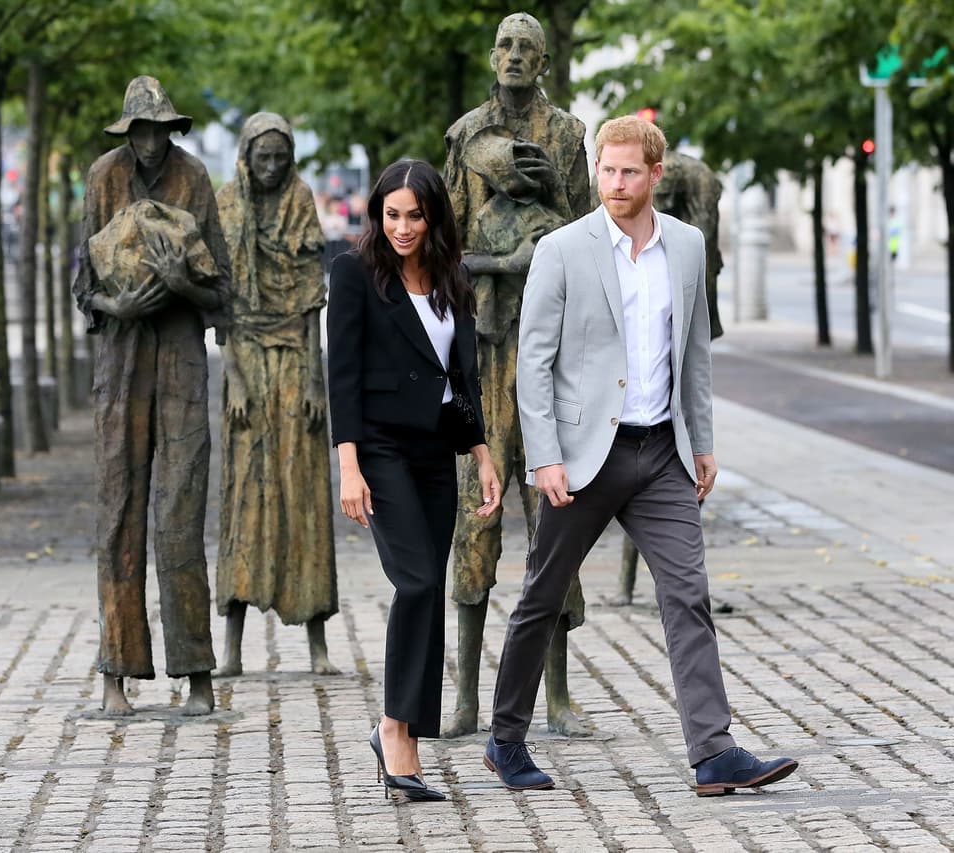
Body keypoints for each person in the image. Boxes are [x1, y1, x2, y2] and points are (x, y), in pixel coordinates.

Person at [484, 115, 798, 796]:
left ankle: (713, 752)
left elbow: (694, 355)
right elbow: (531, 363)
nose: (616, 183)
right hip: (583, 455)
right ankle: (505, 738)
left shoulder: (686, 247)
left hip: (660, 454)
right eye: (607, 169)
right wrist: (545, 456)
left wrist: (703, 440)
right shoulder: (563, 249)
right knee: (542, 596)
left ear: (656, 174)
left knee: (688, 594)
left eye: (630, 171)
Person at [327, 159, 501, 802]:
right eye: (391, 214)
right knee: (419, 581)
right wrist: (347, 464)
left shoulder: (453, 276)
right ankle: (395, 732)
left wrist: (482, 453)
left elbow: (464, 377)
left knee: (428, 588)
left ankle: (403, 732)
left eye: (414, 215)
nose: (402, 227)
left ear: (434, 217)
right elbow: (340, 374)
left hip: (436, 451)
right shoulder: (354, 273)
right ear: (378, 215)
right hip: (378, 448)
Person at [440, 11, 592, 739]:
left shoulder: (566, 135)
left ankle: (555, 693)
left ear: (545, 62)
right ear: (490, 55)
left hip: (552, 354)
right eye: (504, 45)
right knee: (478, 509)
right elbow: (444, 246)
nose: (514, 57)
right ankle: (467, 693)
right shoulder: (465, 136)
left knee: (555, 515)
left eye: (528, 48)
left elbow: (586, 235)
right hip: (485, 346)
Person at [71, 75, 230, 717]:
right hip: (121, 358)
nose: (149, 143)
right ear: (127, 132)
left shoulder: (195, 179)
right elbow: (83, 285)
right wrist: (120, 303)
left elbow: (223, 290)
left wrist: (180, 285)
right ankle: (117, 668)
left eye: (159, 131)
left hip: (182, 361)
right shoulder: (102, 177)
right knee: (118, 511)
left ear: (170, 130)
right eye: (140, 131)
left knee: (181, 512)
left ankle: (195, 671)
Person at [214, 112, 339, 676]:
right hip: (245, 362)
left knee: (302, 490)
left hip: (294, 361)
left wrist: (316, 379)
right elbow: (221, 305)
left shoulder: (301, 200)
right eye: (261, 157)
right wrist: (234, 378)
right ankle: (233, 646)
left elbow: (313, 298)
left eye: (279, 157)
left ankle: (316, 642)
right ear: (245, 155)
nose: (271, 167)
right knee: (246, 494)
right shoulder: (226, 203)